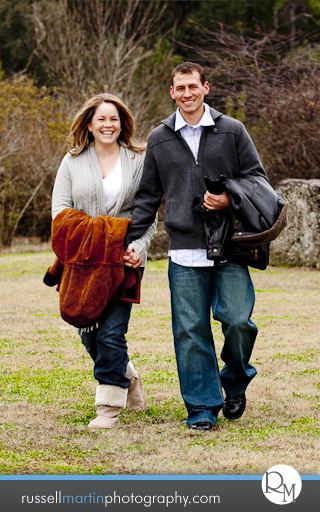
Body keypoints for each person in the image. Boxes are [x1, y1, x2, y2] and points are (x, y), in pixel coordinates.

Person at [125, 61, 268, 431]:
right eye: (180, 88)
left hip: (230, 247)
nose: (187, 93)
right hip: (183, 250)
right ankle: (202, 407)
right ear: (172, 92)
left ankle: (235, 380)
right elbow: (146, 198)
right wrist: (129, 243)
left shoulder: (232, 130)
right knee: (190, 332)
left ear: (205, 87)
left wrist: (228, 199)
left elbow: (257, 180)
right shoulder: (159, 138)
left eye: (193, 86)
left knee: (238, 321)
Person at [51, 93, 157, 429]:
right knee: (88, 333)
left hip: (122, 261)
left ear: (122, 123)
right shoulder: (72, 161)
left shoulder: (138, 160)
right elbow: (59, 212)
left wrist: (138, 248)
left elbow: (148, 213)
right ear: (89, 124)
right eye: (101, 119)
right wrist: (89, 236)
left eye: (114, 119)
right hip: (82, 263)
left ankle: (108, 409)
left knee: (111, 334)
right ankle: (129, 378)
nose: (108, 125)